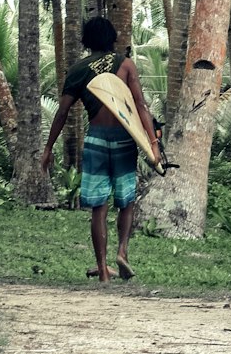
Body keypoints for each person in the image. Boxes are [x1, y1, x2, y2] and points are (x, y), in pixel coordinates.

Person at [41, 15, 158, 282]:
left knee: (99, 207)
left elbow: (61, 113)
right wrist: (152, 144)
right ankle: (123, 252)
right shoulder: (125, 65)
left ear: (86, 41)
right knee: (126, 201)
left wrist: (48, 147)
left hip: (95, 141)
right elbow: (140, 106)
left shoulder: (78, 70)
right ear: (112, 38)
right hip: (124, 139)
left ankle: (103, 270)